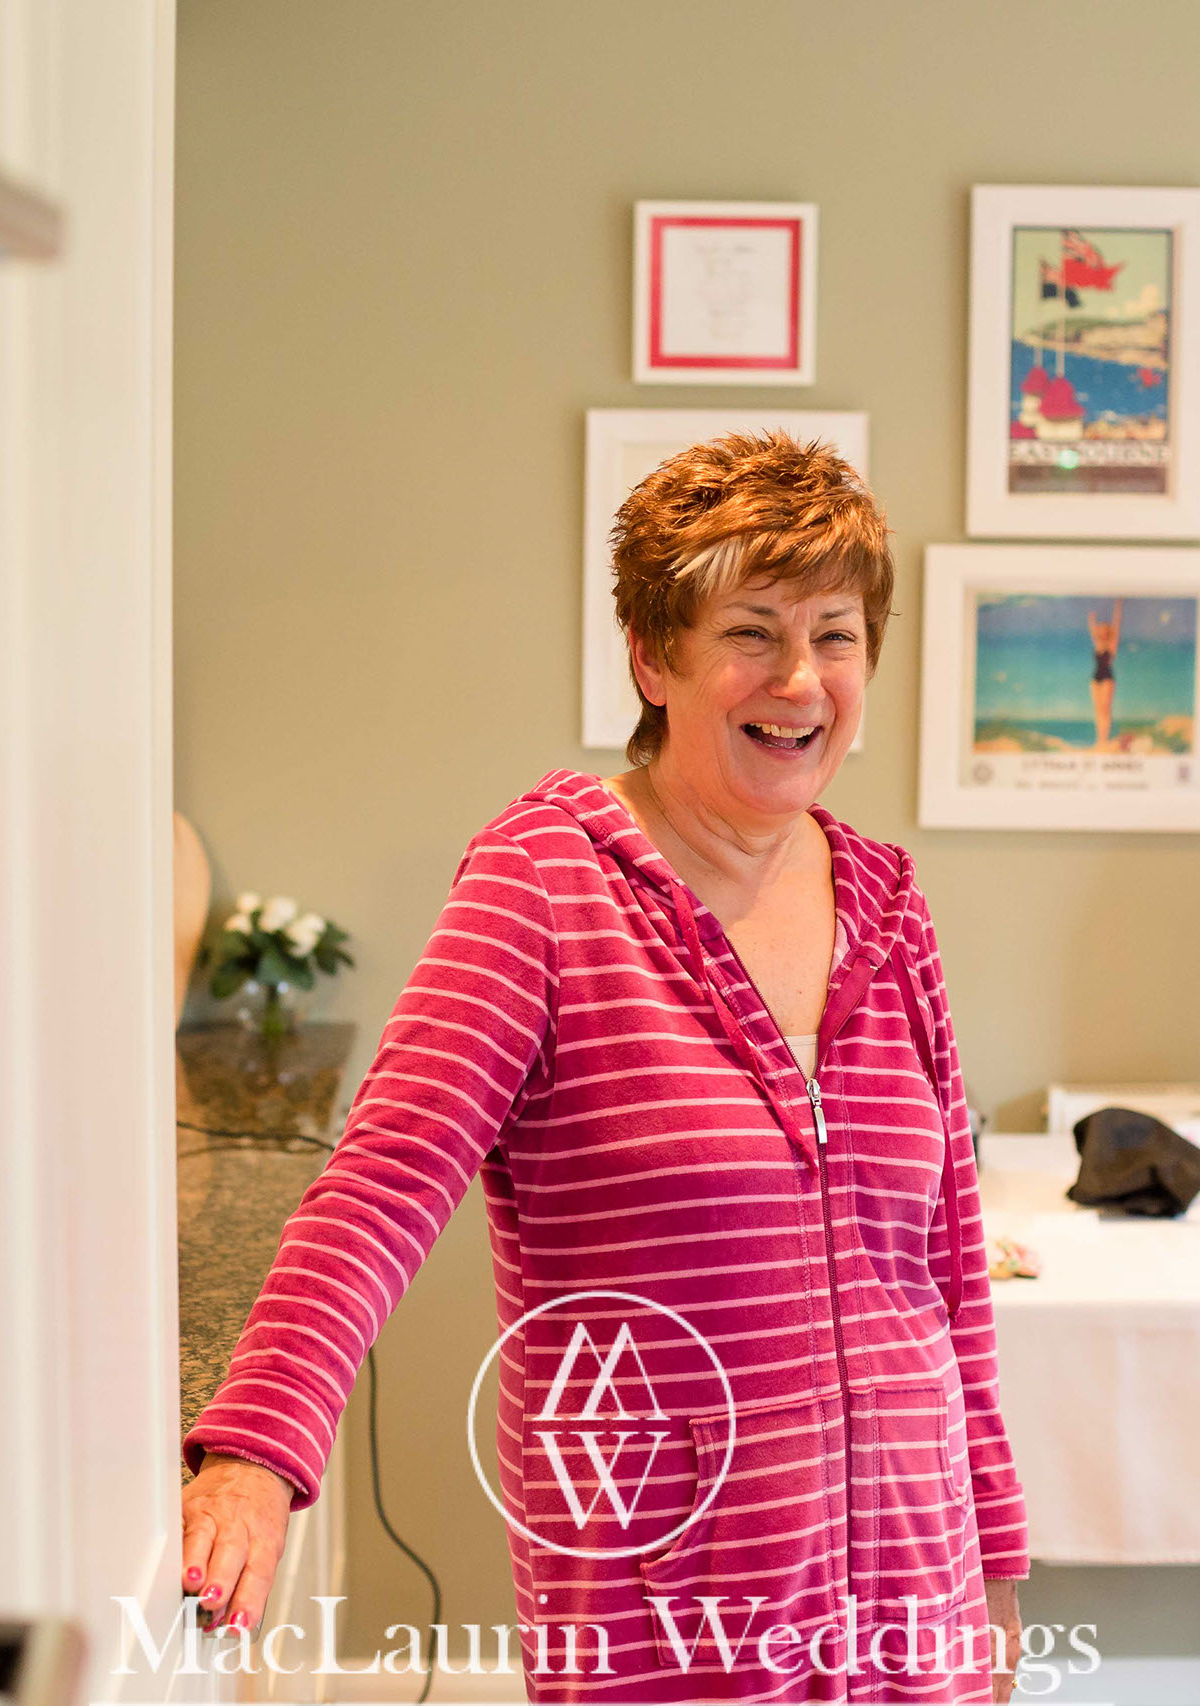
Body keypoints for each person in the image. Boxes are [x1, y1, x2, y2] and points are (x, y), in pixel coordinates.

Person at [182, 434, 1030, 1700]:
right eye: (752, 629)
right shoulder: (545, 884)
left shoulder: (889, 904)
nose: (800, 679)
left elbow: (950, 1269)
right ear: (653, 655)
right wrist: (254, 1449)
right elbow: (383, 1179)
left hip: (918, 1601)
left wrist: (995, 1573)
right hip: (669, 1611)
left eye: (837, 634)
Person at [1086, 599, 1121, 750]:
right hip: (1095, 678)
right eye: (1101, 630)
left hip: (1107, 677)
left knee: (1105, 708)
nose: (1102, 631)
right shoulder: (1097, 644)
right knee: (1097, 709)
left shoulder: (1112, 645)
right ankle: (1098, 738)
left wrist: (1118, 608)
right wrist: (1091, 619)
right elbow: (1092, 630)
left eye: (1105, 629)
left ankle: (1103, 738)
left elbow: (1117, 624)